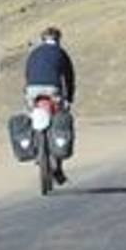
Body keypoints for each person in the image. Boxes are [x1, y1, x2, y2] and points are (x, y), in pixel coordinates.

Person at [24, 26, 76, 184]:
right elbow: (69, 77)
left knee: (32, 114)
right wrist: (69, 98)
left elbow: (27, 74)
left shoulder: (33, 53)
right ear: (58, 39)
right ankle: (58, 167)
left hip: (32, 90)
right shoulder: (61, 53)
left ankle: (35, 146)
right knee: (58, 121)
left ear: (42, 39)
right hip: (53, 90)